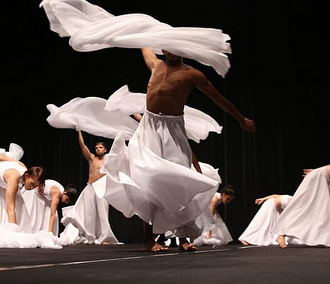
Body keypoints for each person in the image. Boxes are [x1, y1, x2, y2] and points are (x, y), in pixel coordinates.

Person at [102, 47, 255, 252]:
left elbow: (218, 98)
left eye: (177, 48)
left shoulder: (192, 74)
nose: (172, 52)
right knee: (147, 181)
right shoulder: (156, 65)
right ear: (164, 49)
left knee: (179, 183)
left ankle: (183, 237)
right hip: (148, 127)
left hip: (172, 129)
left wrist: (240, 118)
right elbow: (144, 45)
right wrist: (137, 31)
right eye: (169, 48)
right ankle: (149, 240)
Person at [60, 131, 121, 245]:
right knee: (89, 213)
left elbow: (119, 152)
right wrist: (79, 131)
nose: (98, 149)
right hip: (90, 187)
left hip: (102, 188)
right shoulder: (92, 158)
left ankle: (105, 238)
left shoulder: (108, 159)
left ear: (105, 150)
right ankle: (90, 238)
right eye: (96, 147)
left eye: (100, 147)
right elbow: (83, 146)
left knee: (103, 213)